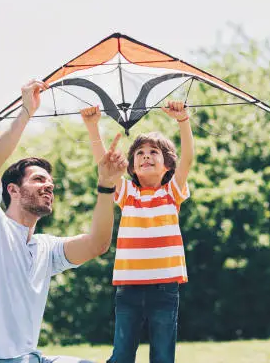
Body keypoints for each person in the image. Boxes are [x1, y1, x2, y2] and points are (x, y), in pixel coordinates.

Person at [0, 79, 128, 363]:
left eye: (51, 182)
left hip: (31, 358)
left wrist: (106, 184)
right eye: (39, 179)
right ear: (12, 190)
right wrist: (27, 111)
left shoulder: (45, 249)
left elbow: (98, 244)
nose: (48, 186)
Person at [80, 101, 194, 363]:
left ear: (168, 166)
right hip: (128, 288)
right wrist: (92, 128)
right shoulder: (128, 194)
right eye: (140, 153)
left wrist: (183, 121)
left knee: (163, 357)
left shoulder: (171, 192)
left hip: (165, 289)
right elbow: (104, 164)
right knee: (121, 355)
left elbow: (187, 157)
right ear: (131, 167)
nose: (145, 156)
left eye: (154, 152)